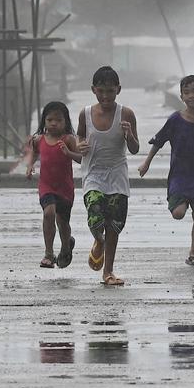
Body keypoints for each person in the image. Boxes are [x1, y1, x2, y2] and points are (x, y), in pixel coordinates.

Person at [138, 74, 194, 266]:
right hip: (179, 175)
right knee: (178, 213)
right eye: (187, 92)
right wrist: (146, 163)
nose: (191, 96)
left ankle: (193, 253)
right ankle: (181, 201)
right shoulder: (175, 119)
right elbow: (159, 142)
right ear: (182, 96)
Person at [77, 66, 139, 286]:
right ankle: (97, 240)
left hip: (117, 176)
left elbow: (134, 148)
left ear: (118, 90)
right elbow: (79, 136)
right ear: (93, 89)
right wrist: (80, 145)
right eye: (101, 91)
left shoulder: (127, 114)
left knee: (114, 225)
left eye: (110, 91)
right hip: (93, 174)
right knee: (95, 213)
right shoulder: (85, 113)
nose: (105, 96)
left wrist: (129, 134)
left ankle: (108, 272)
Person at [25, 101, 82, 269]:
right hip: (46, 186)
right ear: (44, 121)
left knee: (63, 222)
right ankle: (48, 254)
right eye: (49, 119)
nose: (53, 123)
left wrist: (68, 152)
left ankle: (66, 247)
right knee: (49, 213)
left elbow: (81, 159)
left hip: (64, 188)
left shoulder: (69, 139)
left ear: (66, 122)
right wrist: (30, 167)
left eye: (58, 120)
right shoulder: (38, 140)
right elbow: (34, 153)